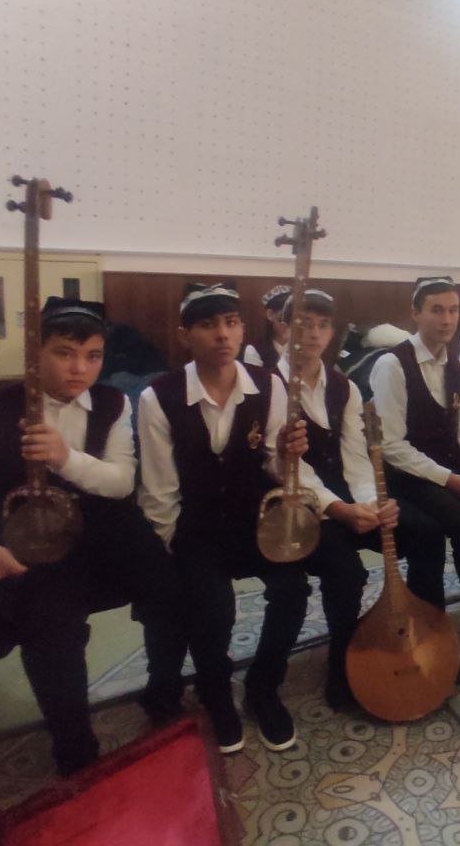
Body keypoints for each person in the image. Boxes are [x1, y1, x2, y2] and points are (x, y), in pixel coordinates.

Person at [0, 298, 187, 776]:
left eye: (93, 356)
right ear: (37, 353)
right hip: (34, 540)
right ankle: (75, 751)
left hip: (103, 526)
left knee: (170, 588)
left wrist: (63, 457)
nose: (80, 369)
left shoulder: (113, 403)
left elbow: (120, 482)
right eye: (64, 353)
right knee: (53, 631)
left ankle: (163, 694)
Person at [137, 282, 357, 754]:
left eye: (231, 323)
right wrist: (177, 549)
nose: (222, 334)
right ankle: (215, 692)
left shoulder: (267, 385)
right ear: (184, 335)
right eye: (208, 325)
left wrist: (291, 457)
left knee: (292, 589)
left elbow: (275, 462)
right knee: (212, 605)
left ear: (241, 329)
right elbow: (159, 491)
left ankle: (263, 686)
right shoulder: (159, 396)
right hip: (195, 524)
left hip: (251, 516)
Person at [273, 288, 451, 692]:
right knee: (346, 572)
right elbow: (288, 468)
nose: (314, 334)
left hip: (351, 496)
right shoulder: (270, 385)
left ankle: (426, 637)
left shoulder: (343, 387)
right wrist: (340, 509)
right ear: (284, 328)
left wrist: (373, 503)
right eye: (304, 324)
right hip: (303, 506)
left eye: (323, 325)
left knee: (426, 533)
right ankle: (343, 666)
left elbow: (356, 457)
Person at [369, 277, 460, 676]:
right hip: (406, 476)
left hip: (446, 469)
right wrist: (449, 479)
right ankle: (435, 635)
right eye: (437, 310)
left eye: (453, 310)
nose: (447, 319)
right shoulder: (392, 365)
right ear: (416, 313)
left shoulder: (457, 366)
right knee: (458, 527)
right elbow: (391, 445)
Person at [242, 284, 291, 370]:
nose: (288, 324)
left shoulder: (301, 347)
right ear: (270, 315)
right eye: (284, 318)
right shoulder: (254, 350)